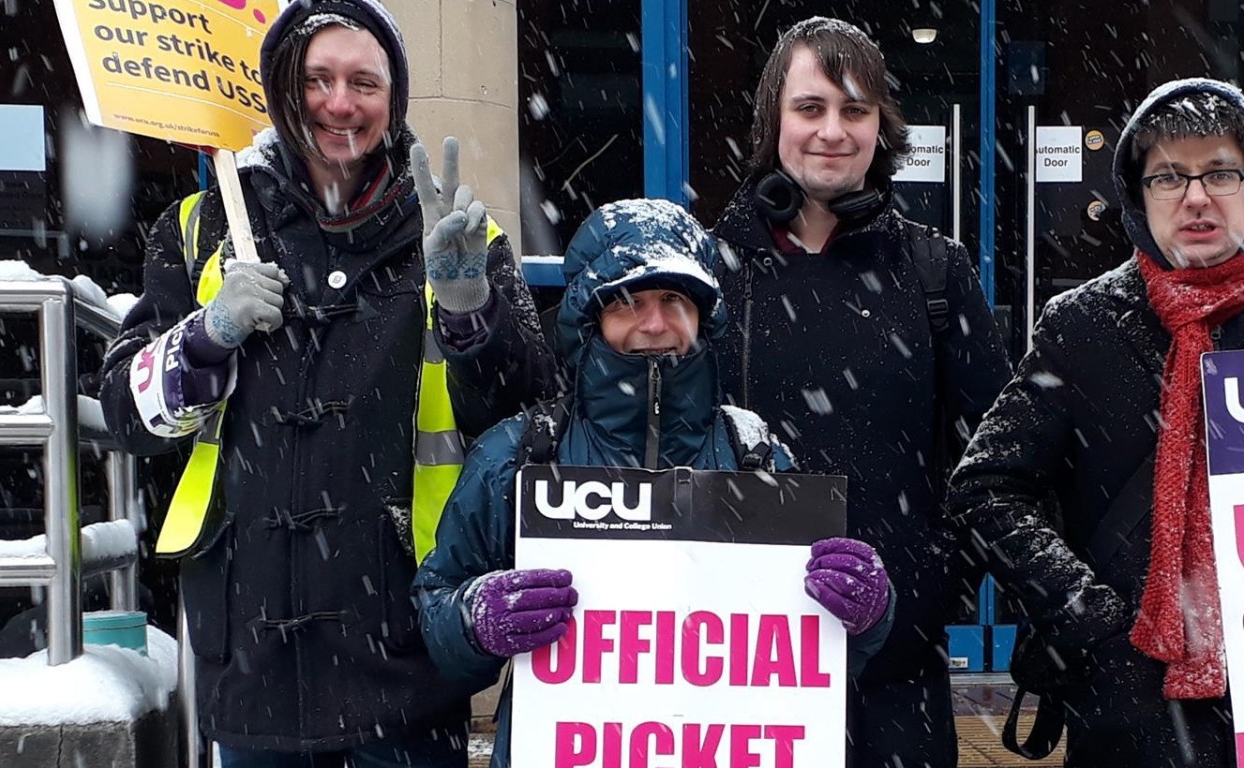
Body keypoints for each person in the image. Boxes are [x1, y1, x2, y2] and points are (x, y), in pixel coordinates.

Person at [96, 0, 552, 763]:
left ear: (394, 99)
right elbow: (124, 416)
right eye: (318, 79)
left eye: (364, 83)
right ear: (283, 88)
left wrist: (472, 310)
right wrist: (208, 335)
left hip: (407, 660)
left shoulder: (461, 233)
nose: (340, 104)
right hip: (248, 664)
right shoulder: (202, 228)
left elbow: (526, 413)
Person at [945, 77, 1244, 767]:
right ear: (1138, 197)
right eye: (1169, 176)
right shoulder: (1083, 327)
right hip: (1127, 704)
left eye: (1220, 173)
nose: (1196, 197)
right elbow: (987, 485)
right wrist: (1088, 615)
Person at [411, 199, 898, 767]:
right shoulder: (520, 453)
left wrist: (868, 611)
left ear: (703, 316)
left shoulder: (756, 457)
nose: (654, 324)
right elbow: (436, 607)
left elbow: (821, 651)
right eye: (626, 302)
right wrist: (475, 619)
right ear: (590, 318)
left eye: (674, 299)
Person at [706, 18, 1012, 767]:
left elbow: (1006, 454)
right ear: (773, 120)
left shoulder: (934, 272)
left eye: (855, 110)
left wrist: (938, 577)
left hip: (895, 669)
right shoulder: (707, 273)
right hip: (737, 664)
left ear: (882, 127)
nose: (832, 131)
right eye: (810, 108)